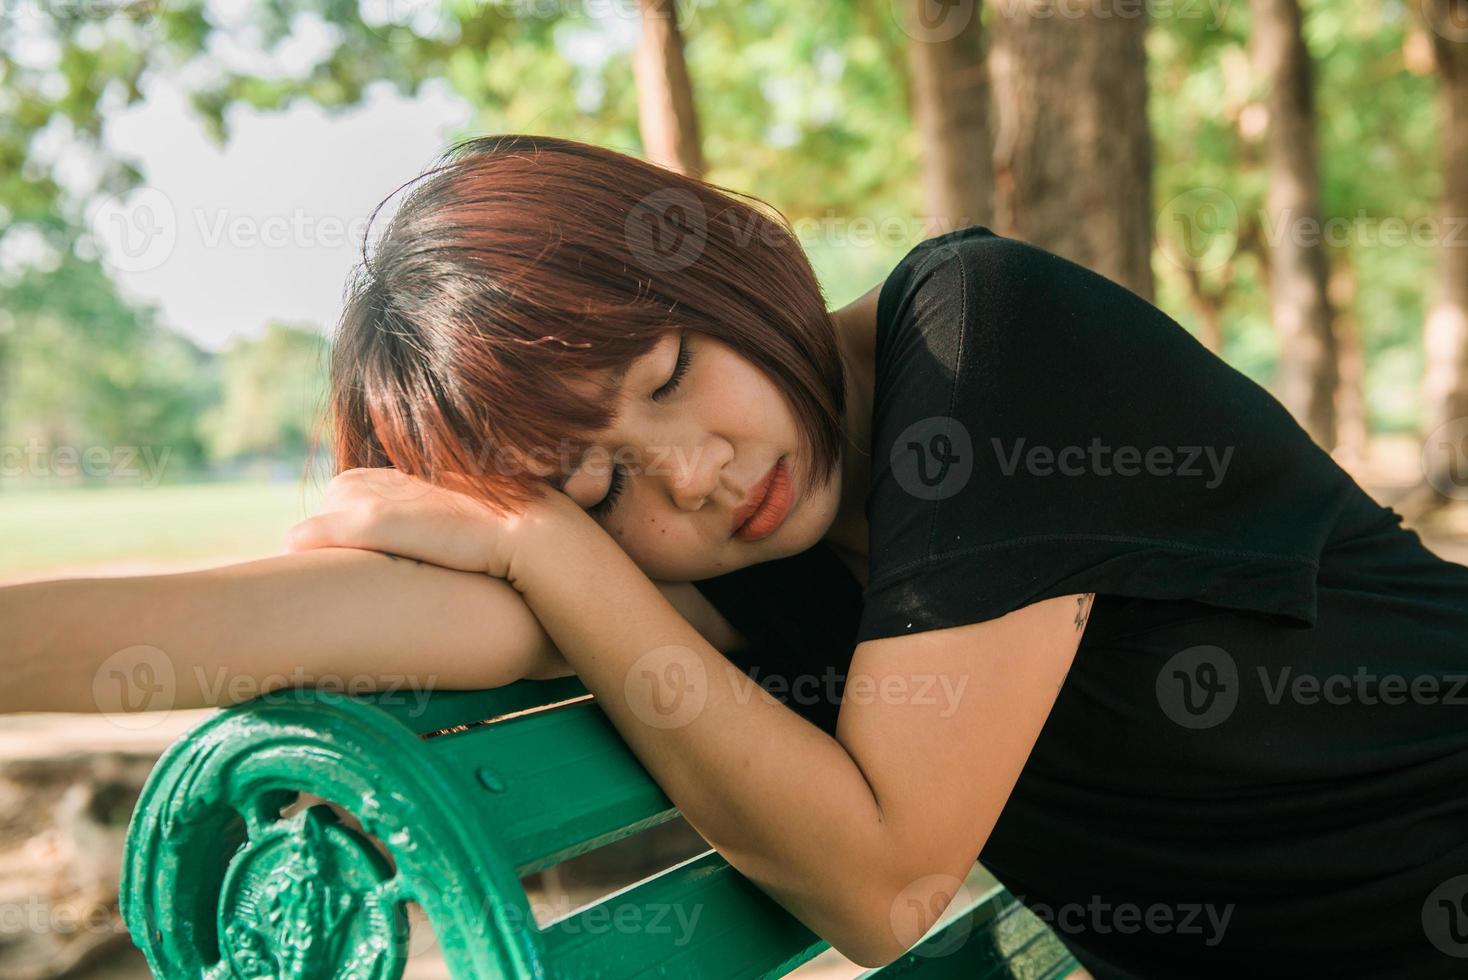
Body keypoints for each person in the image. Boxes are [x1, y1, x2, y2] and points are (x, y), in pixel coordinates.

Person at [5, 133, 1468, 977]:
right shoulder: (701, 567)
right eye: (601, 483)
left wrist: (542, 534)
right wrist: (552, 548)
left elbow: (889, 885)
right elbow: (304, 616)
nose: (700, 476)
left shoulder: (984, 336)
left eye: (668, 372)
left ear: (713, 263)